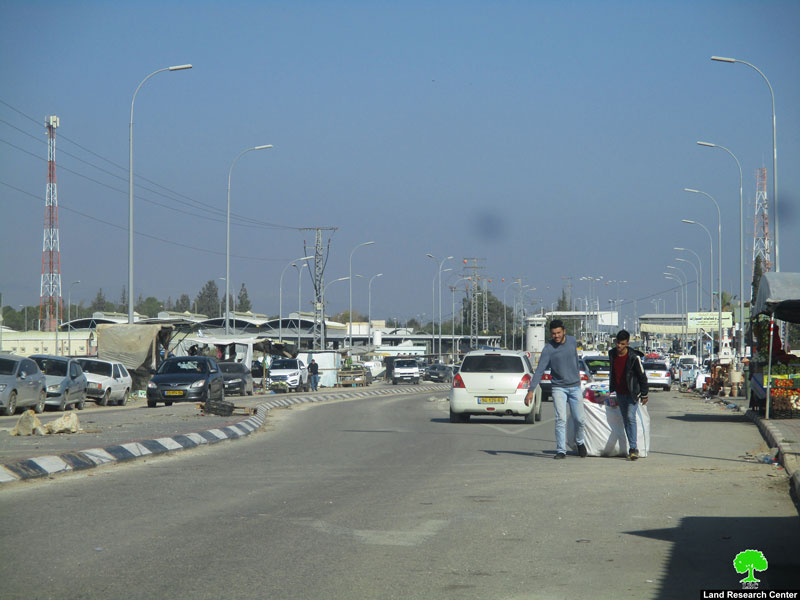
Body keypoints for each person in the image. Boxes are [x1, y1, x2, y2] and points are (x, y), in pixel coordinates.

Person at [525, 320, 587, 459]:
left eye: (559, 333)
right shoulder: (548, 349)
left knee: (580, 419)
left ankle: (580, 442)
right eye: (553, 334)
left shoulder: (572, 341)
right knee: (561, 419)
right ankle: (561, 450)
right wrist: (531, 390)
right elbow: (539, 370)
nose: (556, 336)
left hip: (575, 387)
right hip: (559, 388)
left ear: (564, 331)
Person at [608, 329, 649, 460]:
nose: (619, 346)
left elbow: (642, 376)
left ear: (627, 343)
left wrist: (644, 394)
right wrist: (611, 389)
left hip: (632, 393)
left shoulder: (633, 357)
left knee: (630, 417)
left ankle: (633, 447)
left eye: (622, 344)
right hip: (620, 392)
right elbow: (613, 373)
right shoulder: (612, 354)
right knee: (626, 419)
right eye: (618, 343)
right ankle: (631, 447)